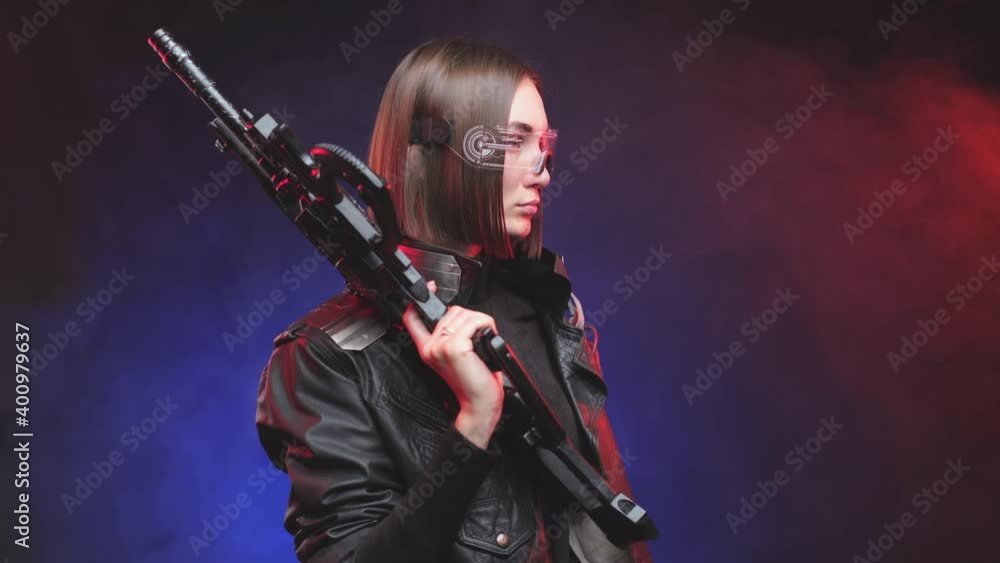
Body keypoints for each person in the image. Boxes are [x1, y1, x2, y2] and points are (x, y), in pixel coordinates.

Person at [255, 36, 653, 563]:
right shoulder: (324, 358)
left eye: (544, 143)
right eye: (514, 141)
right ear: (440, 149)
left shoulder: (550, 305)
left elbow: (610, 520)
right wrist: (473, 425)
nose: (544, 168)